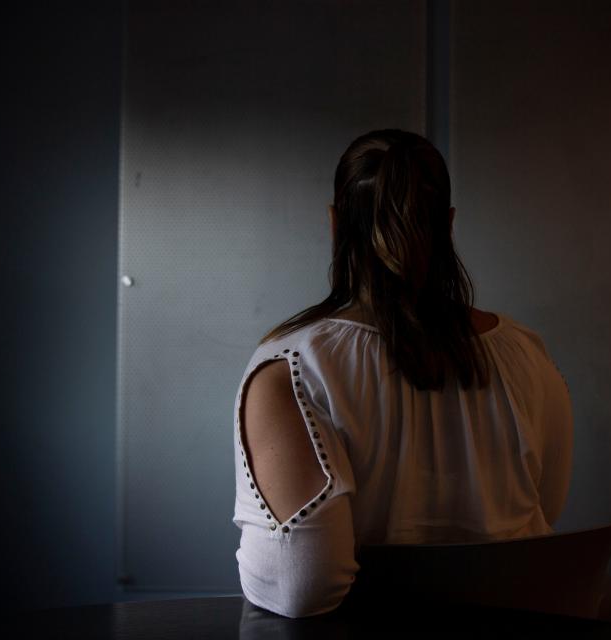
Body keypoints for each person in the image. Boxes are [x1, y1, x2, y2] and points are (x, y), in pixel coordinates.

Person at [231, 129, 573, 618]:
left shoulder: (291, 368)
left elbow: (301, 586)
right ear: (448, 225)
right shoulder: (526, 352)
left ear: (334, 223)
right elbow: (546, 511)